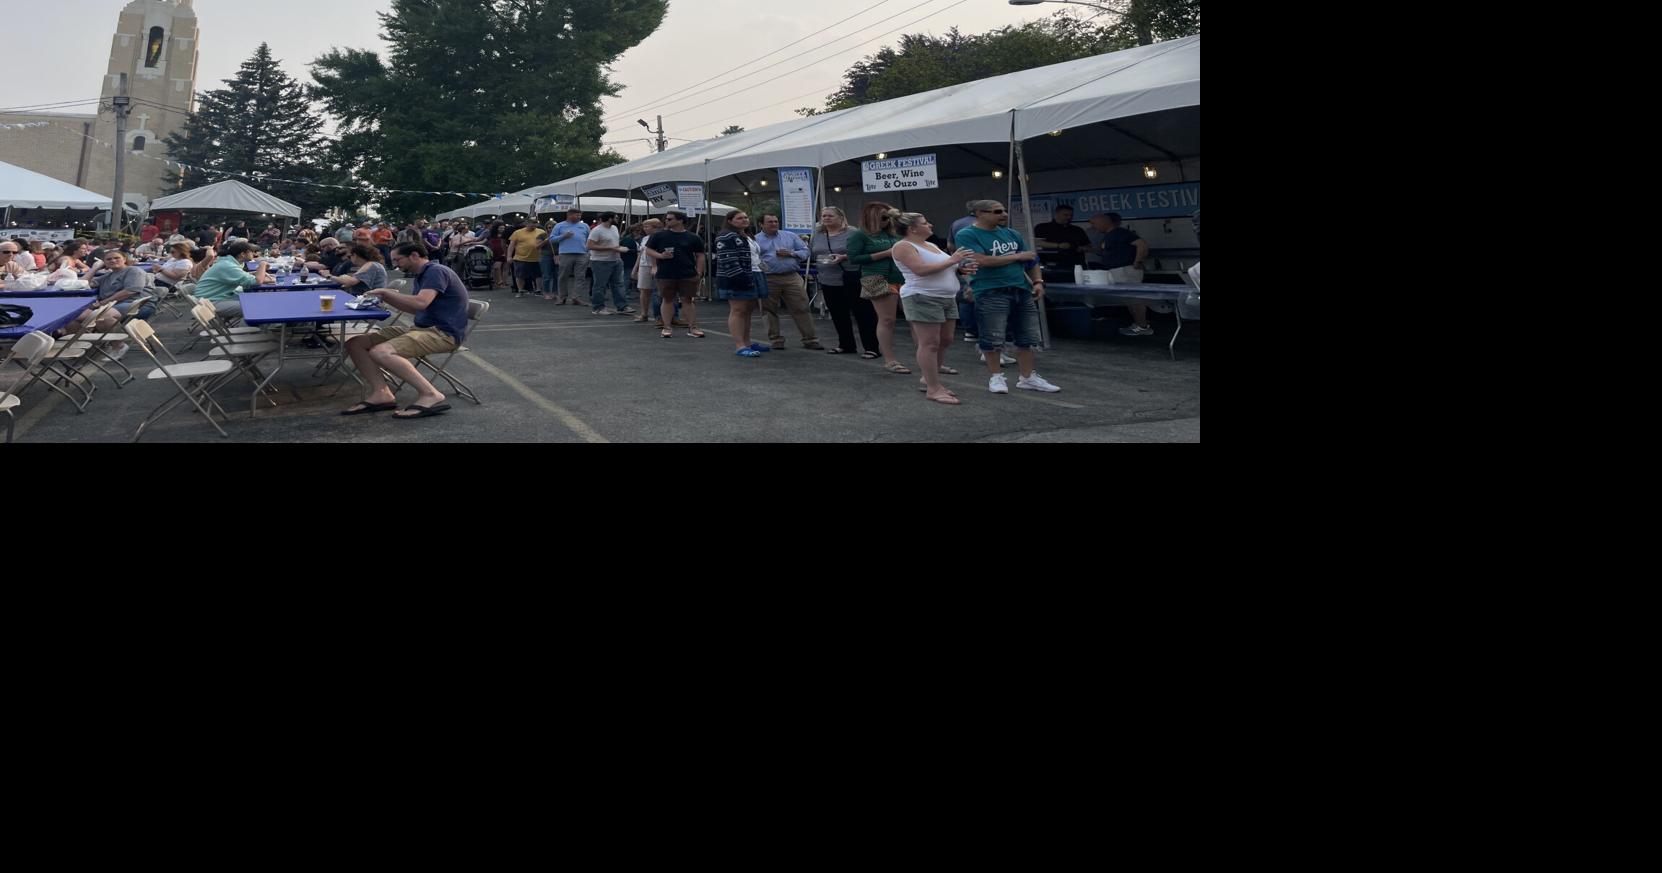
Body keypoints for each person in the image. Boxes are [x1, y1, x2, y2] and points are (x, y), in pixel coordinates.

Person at [341, 243, 471, 420]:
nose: (396, 264)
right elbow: (416, 309)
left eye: (398, 260)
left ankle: (431, 394)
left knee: (381, 352)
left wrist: (386, 292)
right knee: (355, 343)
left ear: (414, 255)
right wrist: (385, 300)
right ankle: (382, 393)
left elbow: (420, 303)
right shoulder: (422, 274)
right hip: (421, 329)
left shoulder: (435, 271)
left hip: (442, 334)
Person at [954, 200, 1060, 394]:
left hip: (1021, 288)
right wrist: (1016, 257)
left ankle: (1027, 377)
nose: (1003, 214)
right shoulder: (967, 234)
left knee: (1027, 337)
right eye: (997, 212)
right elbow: (981, 260)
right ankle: (996, 377)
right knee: (992, 336)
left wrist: (1037, 282)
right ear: (979, 213)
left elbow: (1031, 259)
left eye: (1003, 211)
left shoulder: (1012, 233)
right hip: (990, 290)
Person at [890, 210, 976, 405]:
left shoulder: (929, 245)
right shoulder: (903, 246)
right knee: (929, 343)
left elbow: (945, 266)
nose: (930, 225)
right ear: (912, 229)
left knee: (945, 340)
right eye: (925, 223)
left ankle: (929, 378)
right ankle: (933, 387)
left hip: (945, 297)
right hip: (923, 297)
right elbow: (920, 270)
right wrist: (952, 260)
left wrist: (960, 268)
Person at [846, 202, 909, 374]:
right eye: (883, 217)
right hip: (875, 277)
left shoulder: (894, 233)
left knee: (914, 318)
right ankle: (890, 359)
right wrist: (885, 253)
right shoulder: (859, 235)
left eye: (889, 217)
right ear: (872, 217)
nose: (887, 220)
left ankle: (928, 358)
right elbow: (854, 258)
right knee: (887, 320)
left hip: (901, 277)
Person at [810, 206, 880, 358]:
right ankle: (846, 344)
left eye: (830, 216)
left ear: (841, 217)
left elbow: (867, 251)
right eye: (823, 216)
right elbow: (812, 252)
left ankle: (872, 347)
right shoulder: (818, 235)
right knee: (838, 314)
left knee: (863, 314)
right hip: (828, 279)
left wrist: (843, 257)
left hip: (853, 277)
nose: (826, 218)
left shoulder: (853, 233)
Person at [756, 215, 821, 350]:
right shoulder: (756, 240)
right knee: (768, 310)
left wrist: (792, 253)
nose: (774, 224)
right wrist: (764, 267)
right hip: (768, 278)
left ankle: (810, 339)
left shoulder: (790, 235)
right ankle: (775, 339)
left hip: (791, 276)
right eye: (770, 222)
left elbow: (805, 251)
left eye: (776, 221)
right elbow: (753, 258)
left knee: (802, 306)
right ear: (761, 224)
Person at [1085, 212, 1155, 337]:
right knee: (1128, 299)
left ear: (1104, 222)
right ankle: (1138, 324)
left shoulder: (1120, 232)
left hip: (1126, 269)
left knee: (1134, 298)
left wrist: (1137, 261)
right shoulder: (1109, 236)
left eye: (1094, 224)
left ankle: (1143, 326)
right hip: (1116, 270)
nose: (1093, 227)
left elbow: (1142, 244)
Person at [713, 211, 771, 358]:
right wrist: (740, 277)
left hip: (755, 273)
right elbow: (728, 259)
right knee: (738, 310)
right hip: (737, 275)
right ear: (730, 221)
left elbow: (755, 256)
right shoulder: (726, 236)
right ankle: (740, 345)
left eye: (746, 217)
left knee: (748, 311)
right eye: (739, 218)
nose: (744, 220)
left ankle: (748, 342)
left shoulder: (748, 235)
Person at [643, 210, 705, 339]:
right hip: (666, 273)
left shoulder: (693, 237)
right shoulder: (659, 235)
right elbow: (648, 250)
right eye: (666, 219)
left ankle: (692, 327)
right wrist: (660, 256)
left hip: (687, 273)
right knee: (667, 299)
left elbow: (700, 255)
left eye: (670, 219)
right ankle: (667, 327)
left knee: (687, 300)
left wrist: (699, 271)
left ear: (681, 220)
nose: (667, 221)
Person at [192, 241, 271, 321]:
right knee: (256, 306)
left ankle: (265, 326)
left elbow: (245, 277)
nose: (254, 254)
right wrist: (262, 264)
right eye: (251, 252)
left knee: (256, 299)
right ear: (242, 254)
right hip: (210, 303)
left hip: (210, 298)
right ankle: (266, 329)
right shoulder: (228, 266)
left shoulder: (227, 263)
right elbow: (257, 282)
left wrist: (256, 273)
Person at [585, 212, 633, 315]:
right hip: (600, 261)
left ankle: (622, 306)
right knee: (600, 285)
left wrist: (619, 248)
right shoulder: (596, 230)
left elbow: (614, 244)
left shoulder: (614, 228)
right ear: (610, 218)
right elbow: (589, 246)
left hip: (616, 260)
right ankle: (598, 308)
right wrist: (610, 248)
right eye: (616, 217)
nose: (618, 219)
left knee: (618, 284)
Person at [1033, 205, 1091, 272]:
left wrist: (1082, 248)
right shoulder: (1042, 227)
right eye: (1065, 215)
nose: (1069, 217)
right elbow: (1037, 243)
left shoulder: (1077, 230)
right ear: (1057, 214)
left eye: (1071, 215)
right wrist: (1058, 245)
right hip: (1051, 266)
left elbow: (1089, 246)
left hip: (1075, 267)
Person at [553, 208, 590, 305]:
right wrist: (563, 236)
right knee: (563, 276)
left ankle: (576, 297)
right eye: (577, 215)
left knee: (581, 277)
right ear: (569, 215)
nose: (579, 217)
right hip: (565, 254)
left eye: (580, 215)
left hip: (582, 254)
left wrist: (588, 252)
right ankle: (562, 297)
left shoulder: (585, 226)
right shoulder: (559, 225)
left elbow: (589, 239)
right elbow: (552, 239)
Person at [630, 219, 662, 323]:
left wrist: (654, 265)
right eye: (644, 226)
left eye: (647, 226)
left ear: (655, 227)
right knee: (644, 290)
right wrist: (635, 268)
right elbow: (640, 253)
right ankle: (644, 313)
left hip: (658, 265)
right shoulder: (644, 238)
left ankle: (660, 315)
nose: (645, 228)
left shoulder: (660, 237)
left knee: (659, 291)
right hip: (644, 265)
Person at [507, 218, 546, 299]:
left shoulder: (541, 232)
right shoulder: (518, 232)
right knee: (520, 275)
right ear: (527, 223)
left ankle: (538, 290)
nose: (534, 225)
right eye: (532, 223)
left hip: (537, 257)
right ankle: (520, 290)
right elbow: (511, 245)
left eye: (536, 223)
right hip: (521, 257)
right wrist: (509, 256)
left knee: (538, 275)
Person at [484, 221, 509, 289]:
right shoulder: (492, 235)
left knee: (504, 268)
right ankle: (497, 282)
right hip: (495, 253)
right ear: (496, 228)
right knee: (496, 268)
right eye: (501, 228)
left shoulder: (506, 236)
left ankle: (503, 282)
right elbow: (483, 241)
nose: (502, 230)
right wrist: (472, 242)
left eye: (504, 228)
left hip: (504, 252)